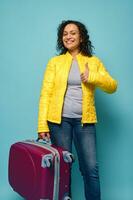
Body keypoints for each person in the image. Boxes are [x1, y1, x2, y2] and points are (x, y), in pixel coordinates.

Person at [37, 20, 117, 200]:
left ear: (81, 37)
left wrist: (93, 77)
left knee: (90, 168)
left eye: (73, 33)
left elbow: (112, 86)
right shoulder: (55, 62)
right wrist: (42, 125)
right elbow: (46, 94)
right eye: (65, 33)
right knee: (63, 169)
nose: (68, 36)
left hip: (84, 121)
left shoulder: (93, 61)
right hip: (59, 123)